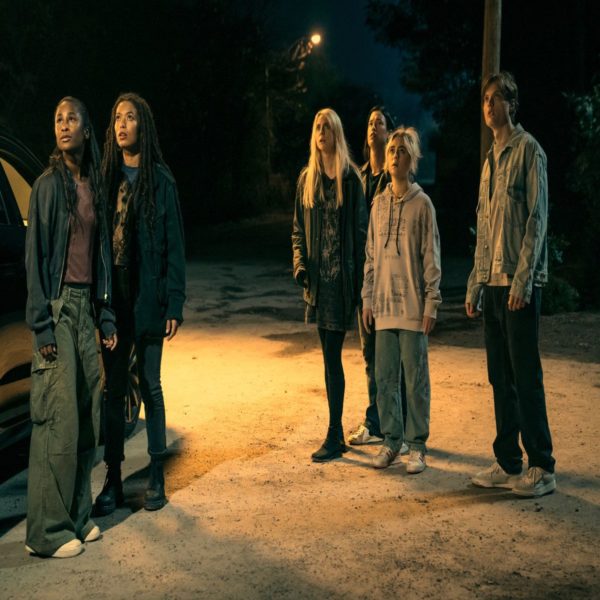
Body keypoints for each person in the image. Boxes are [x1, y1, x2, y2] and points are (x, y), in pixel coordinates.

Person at [25, 97, 117, 558]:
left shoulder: (93, 186)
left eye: (72, 118)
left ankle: (78, 517)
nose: (64, 125)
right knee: (57, 419)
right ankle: (47, 531)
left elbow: (101, 257)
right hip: (58, 307)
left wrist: (105, 314)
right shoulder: (46, 186)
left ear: (86, 129)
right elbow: (34, 258)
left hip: (87, 309)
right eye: (58, 119)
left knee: (86, 416)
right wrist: (41, 325)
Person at [94, 93, 186, 514]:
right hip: (115, 299)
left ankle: (156, 475)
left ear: (142, 127)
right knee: (113, 390)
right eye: (117, 117)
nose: (122, 124)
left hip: (148, 297)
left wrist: (174, 303)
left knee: (150, 384)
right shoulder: (106, 178)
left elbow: (175, 247)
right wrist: (101, 305)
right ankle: (112, 480)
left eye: (130, 117)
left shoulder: (161, 181)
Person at [466, 71, 556, 497]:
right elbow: (484, 226)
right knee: (500, 377)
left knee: (525, 376)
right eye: (485, 98)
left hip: (519, 284)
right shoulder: (489, 161)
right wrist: (476, 282)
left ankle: (542, 466)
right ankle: (508, 461)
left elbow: (537, 220)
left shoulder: (528, 150)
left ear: (512, 105)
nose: (489, 105)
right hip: (493, 282)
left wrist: (523, 280)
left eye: (496, 98)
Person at [361, 126, 441, 474]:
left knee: (415, 381)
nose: (395, 155)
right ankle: (392, 441)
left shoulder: (422, 205)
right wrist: (367, 298)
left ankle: (417, 446)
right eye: (392, 150)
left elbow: (431, 257)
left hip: (412, 308)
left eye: (402, 151)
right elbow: (370, 258)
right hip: (383, 307)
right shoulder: (378, 205)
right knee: (385, 378)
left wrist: (431, 303)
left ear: (413, 160)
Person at [292, 108, 368, 462]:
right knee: (328, 358)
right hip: (318, 285)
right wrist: (300, 265)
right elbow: (297, 229)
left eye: (328, 127)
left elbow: (362, 234)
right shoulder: (307, 179)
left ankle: (335, 433)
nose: (322, 131)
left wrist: (363, 287)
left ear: (337, 133)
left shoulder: (350, 180)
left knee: (332, 358)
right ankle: (335, 433)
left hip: (341, 284)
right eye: (317, 127)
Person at [347, 106, 408, 455]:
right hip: (365, 278)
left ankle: (398, 424)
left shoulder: (395, 176)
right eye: (369, 122)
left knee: (395, 356)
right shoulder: (358, 177)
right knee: (370, 354)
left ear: (389, 132)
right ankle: (376, 421)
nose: (373, 127)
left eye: (379, 123)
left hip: (391, 279)